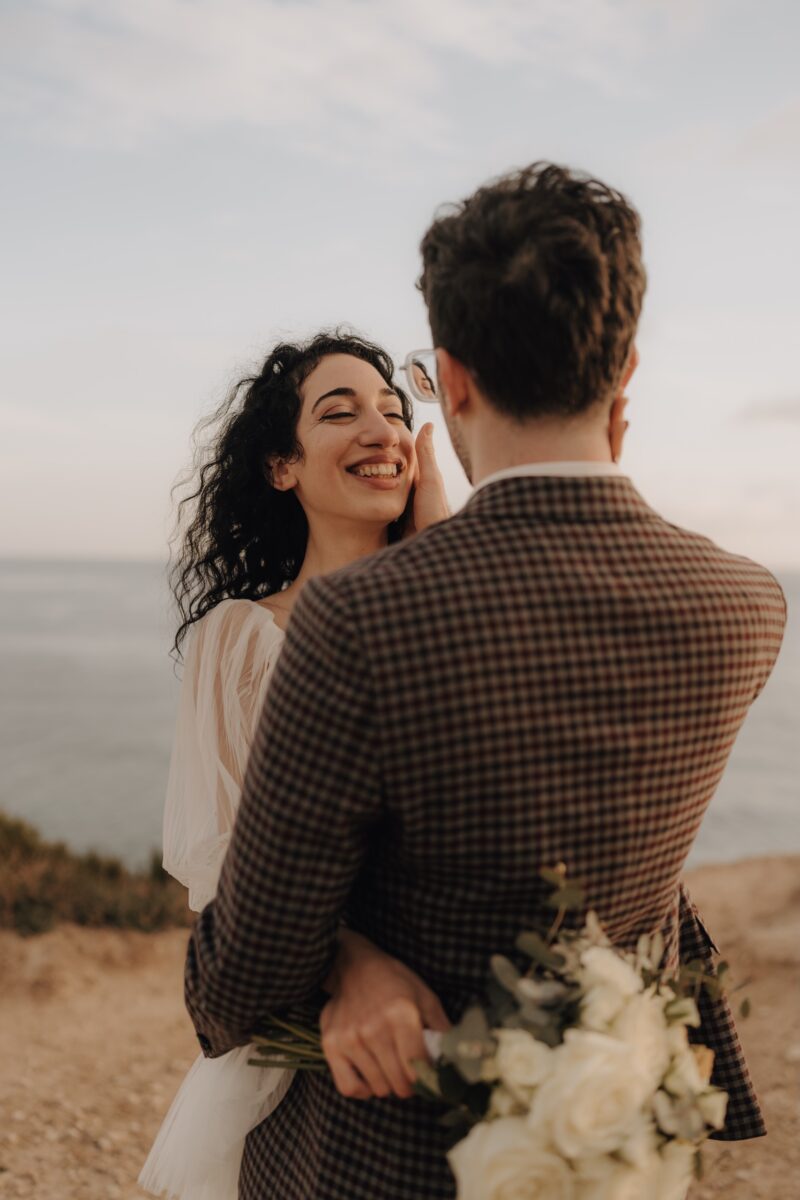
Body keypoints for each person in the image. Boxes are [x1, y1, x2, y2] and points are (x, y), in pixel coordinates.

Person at [183, 164, 787, 1200]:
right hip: (613, 1143)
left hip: (388, 1154)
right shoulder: (744, 603)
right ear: (624, 368)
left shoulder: (362, 618)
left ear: (450, 381)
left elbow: (239, 979)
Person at [138, 331, 453, 1199]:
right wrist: (347, 961)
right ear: (283, 466)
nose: (383, 431)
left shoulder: (453, 613)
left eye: (396, 411)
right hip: (310, 1019)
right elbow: (221, 857)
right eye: (339, 411)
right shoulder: (239, 639)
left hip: (478, 993)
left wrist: (447, 547)